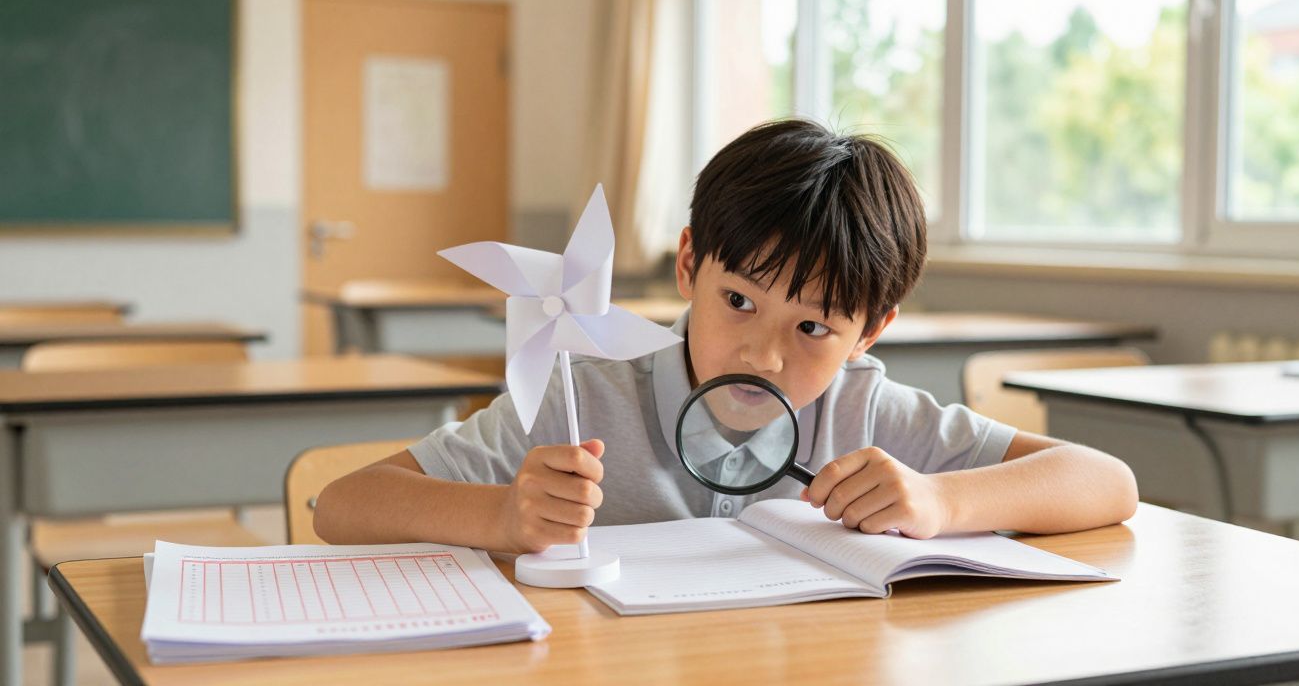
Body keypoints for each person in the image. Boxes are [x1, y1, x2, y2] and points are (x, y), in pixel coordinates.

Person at [313, 119, 1138, 552]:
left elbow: (1106, 481)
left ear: (872, 332)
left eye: (813, 325)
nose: (764, 354)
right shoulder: (584, 393)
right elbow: (343, 506)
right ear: (687, 266)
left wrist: (940, 498)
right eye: (738, 301)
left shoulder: (867, 412)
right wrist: (502, 517)